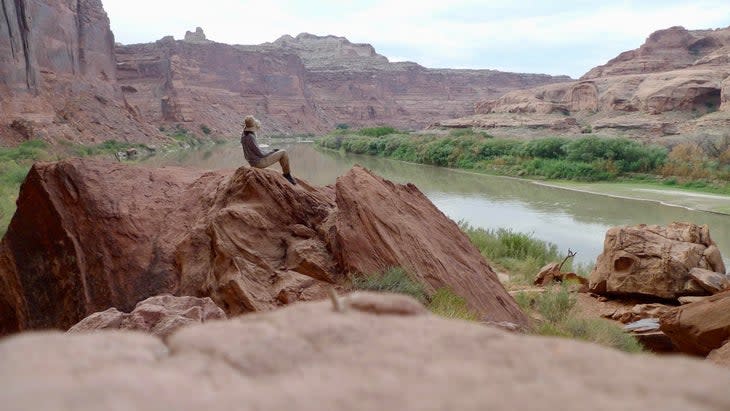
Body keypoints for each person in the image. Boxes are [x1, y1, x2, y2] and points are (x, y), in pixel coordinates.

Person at [240, 115, 297, 185]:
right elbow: (260, 154)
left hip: (252, 162)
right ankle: (287, 175)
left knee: (278, 152)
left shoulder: (243, 135)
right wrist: (272, 151)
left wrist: (270, 151)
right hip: (258, 163)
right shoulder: (250, 137)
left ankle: (286, 174)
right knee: (283, 153)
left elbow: (255, 150)